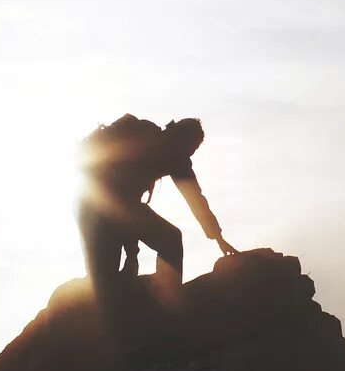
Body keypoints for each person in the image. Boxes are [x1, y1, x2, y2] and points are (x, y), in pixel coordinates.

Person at [78, 115, 237, 294]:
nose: (192, 153)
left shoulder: (163, 147)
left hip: (90, 206)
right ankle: (168, 297)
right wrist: (132, 253)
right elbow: (121, 200)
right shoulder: (160, 147)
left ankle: (164, 295)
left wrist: (217, 237)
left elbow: (194, 199)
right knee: (169, 240)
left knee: (109, 279)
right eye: (193, 146)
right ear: (183, 139)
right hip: (98, 207)